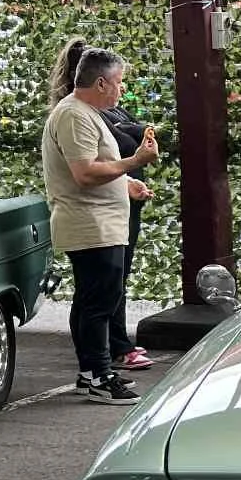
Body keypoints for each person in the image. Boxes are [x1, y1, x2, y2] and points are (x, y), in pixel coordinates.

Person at [42, 40, 160, 403]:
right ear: (101, 83)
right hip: (90, 224)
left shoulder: (85, 113)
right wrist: (134, 161)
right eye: (119, 83)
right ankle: (98, 374)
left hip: (100, 223)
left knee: (94, 299)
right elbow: (84, 173)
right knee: (98, 302)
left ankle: (92, 372)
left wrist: (127, 183)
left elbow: (94, 167)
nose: (121, 90)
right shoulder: (74, 115)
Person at [103, 102, 154, 371]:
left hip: (128, 203)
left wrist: (135, 130)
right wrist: (136, 131)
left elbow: (139, 132)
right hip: (108, 207)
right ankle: (116, 347)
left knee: (119, 277)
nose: (121, 89)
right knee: (109, 280)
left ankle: (118, 342)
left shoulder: (115, 110)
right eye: (117, 83)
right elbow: (129, 135)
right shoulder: (85, 114)